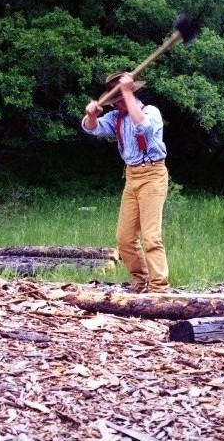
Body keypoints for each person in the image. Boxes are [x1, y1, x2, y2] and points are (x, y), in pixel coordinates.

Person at [83, 72, 170, 293]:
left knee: (151, 237)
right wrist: (91, 114)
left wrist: (127, 91)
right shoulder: (116, 118)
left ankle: (159, 287)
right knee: (124, 238)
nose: (115, 104)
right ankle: (140, 281)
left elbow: (143, 127)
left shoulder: (151, 112)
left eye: (118, 98)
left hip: (153, 175)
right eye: (115, 99)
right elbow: (91, 128)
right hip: (131, 177)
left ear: (131, 93)